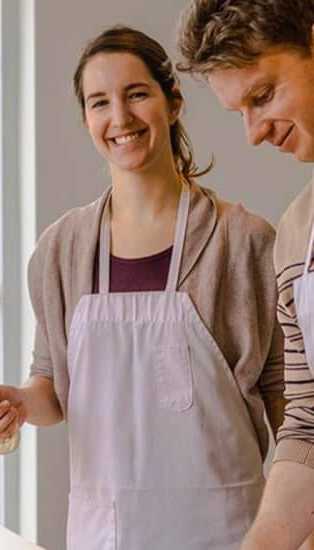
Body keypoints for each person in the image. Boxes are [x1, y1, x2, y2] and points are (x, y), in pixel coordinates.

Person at [0, 25, 284, 549]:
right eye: (100, 103)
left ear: (173, 101)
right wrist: (20, 403)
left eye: (137, 94)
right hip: (106, 533)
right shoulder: (60, 250)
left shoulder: (244, 242)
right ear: (86, 119)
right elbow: (52, 385)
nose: (120, 118)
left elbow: (283, 399)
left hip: (230, 531)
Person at [177, 2, 314, 548]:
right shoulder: (299, 233)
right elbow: (307, 425)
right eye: (240, 112)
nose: (254, 133)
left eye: (263, 96)